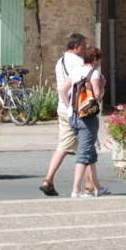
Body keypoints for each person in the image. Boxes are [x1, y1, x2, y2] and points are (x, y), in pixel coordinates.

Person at [40, 33, 90, 197]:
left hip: (63, 107)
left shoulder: (60, 61)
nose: (85, 48)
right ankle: (87, 186)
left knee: (73, 145)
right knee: (85, 145)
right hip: (75, 108)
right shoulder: (79, 63)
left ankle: (50, 180)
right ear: (76, 46)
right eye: (83, 45)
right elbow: (81, 84)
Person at [68, 48, 109, 198]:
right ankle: (76, 190)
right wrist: (103, 85)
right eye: (99, 59)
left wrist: (69, 107)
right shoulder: (94, 73)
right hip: (87, 117)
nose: (100, 62)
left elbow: (64, 88)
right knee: (84, 155)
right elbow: (97, 96)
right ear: (95, 59)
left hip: (73, 115)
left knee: (89, 153)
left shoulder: (76, 70)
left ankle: (97, 187)